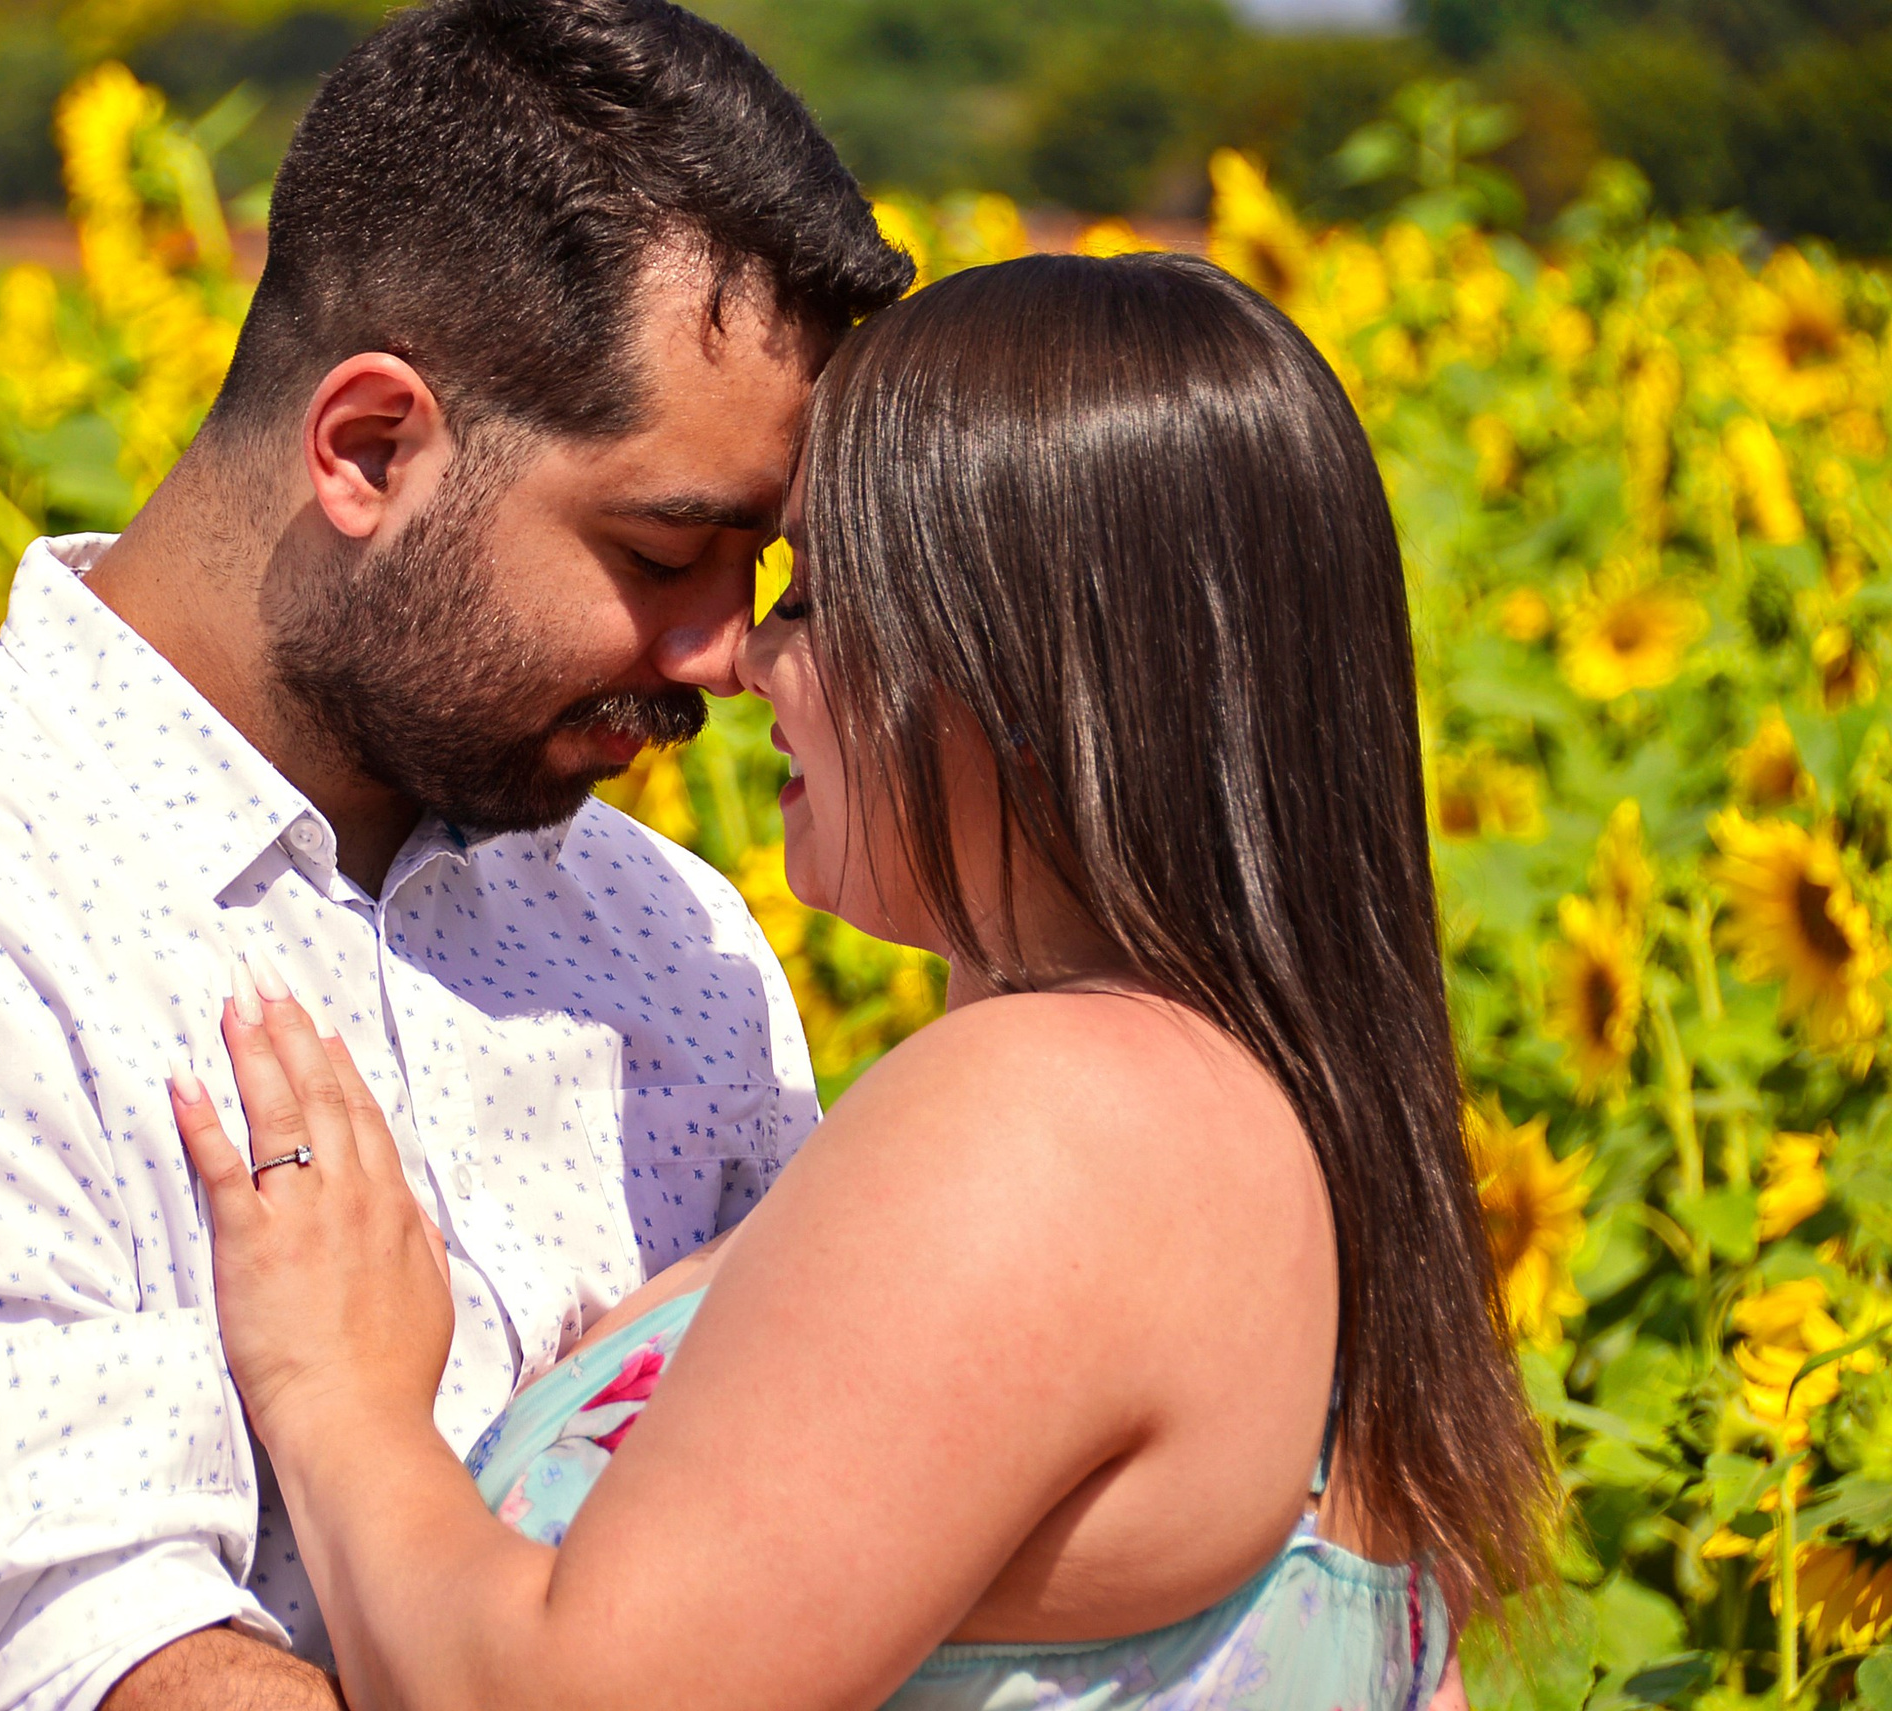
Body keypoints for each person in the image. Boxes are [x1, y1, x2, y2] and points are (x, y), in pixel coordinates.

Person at [0, 4, 914, 1708]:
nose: (729, 650)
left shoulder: (669, 939)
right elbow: (106, 1672)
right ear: (367, 448)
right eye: (665, 551)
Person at [172, 253, 1557, 1710]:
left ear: (1029, 669)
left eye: (820, 592)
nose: (748, 655)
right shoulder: (1259, 1131)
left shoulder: (1058, 1118)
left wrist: (344, 1402)